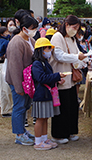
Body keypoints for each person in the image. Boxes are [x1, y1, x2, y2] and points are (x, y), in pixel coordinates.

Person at [49, 15, 86, 144]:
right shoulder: (57, 37)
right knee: (62, 107)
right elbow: (59, 55)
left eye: (77, 28)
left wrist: (84, 59)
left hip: (70, 77)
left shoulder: (71, 38)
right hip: (60, 76)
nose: (75, 30)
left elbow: (77, 55)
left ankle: (70, 131)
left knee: (71, 105)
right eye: (74, 27)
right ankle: (58, 134)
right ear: (67, 25)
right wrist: (78, 57)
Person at [5, 14, 38, 145]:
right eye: (32, 28)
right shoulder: (16, 42)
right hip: (18, 80)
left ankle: (22, 131)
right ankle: (18, 134)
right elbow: (14, 66)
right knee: (19, 106)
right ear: (24, 28)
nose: (34, 30)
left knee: (25, 106)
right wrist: (18, 87)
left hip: (27, 80)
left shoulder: (30, 40)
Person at [31, 38, 65, 150]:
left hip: (46, 94)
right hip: (41, 95)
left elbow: (46, 77)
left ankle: (44, 139)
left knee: (45, 118)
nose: (50, 50)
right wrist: (57, 76)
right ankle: (38, 142)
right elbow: (41, 78)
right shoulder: (37, 63)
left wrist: (57, 79)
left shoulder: (44, 62)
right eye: (48, 48)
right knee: (40, 119)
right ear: (41, 50)